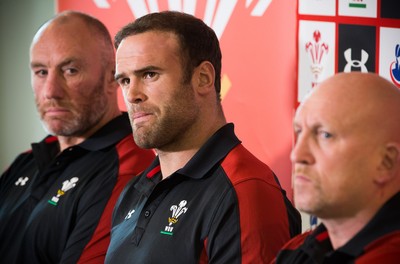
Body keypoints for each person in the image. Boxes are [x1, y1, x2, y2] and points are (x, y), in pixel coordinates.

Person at [105, 11, 301, 263]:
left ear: (203, 78)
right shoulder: (135, 189)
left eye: (149, 74)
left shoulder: (245, 190)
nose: (132, 95)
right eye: (124, 80)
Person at [0, 11, 155, 264]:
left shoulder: (129, 168)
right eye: (41, 72)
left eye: (70, 70)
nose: (50, 91)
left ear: (111, 77)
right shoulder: (25, 161)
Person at [274, 72, 400, 263]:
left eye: (325, 135)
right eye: (299, 131)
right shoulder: (299, 248)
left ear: (386, 162)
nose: (297, 156)